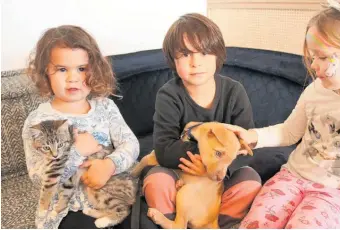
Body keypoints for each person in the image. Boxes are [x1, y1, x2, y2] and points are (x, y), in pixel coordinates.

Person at [226, 0, 340, 228]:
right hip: (290, 178)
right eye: (312, 57)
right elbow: (289, 131)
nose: (314, 66)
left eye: (323, 57)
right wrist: (253, 136)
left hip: (336, 193)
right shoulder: (317, 88)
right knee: (256, 223)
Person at [139, 13, 262, 228]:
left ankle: (223, 223)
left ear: (218, 56)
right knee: (156, 180)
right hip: (181, 174)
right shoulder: (168, 95)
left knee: (250, 180)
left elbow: (245, 145)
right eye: (185, 54)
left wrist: (215, 169)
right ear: (173, 60)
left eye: (204, 53)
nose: (196, 63)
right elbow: (164, 150)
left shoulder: (234, 92)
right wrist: (205, 160)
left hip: (219, 180)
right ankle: (170, 221)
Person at [22, 25, 139, 229]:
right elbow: (40, 179)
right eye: (62, 69)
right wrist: (77, 152)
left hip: (114, 194)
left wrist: (110, 164)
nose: (73, 77)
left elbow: (130, 143)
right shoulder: (38, 121)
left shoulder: (105, 106)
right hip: (69, 208)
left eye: (82, 69)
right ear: (45, 73)